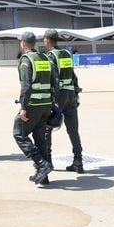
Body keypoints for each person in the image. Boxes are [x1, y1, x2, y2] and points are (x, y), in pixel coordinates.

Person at [12, 31, 57, 185]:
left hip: (33, 105)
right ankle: (43, 177)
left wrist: (23, 107)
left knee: (19, 134)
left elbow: (26, 85)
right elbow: (55, 82)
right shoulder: (45, 58)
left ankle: (41, 164)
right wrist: (53, 102)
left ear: (23, 44)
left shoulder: (26, 59)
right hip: (45, 105)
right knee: (40, 139)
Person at [43, 29, 84, 173]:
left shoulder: (50, 56)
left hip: (58, 96)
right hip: (71, 94)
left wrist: (51, 99)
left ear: (47, 40)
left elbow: (52, 78)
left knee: (47, 128)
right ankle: (78, 161)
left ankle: (48, 162)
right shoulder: (67, 54)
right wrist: (76, 92)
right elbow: (73, 75)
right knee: (73, 130)